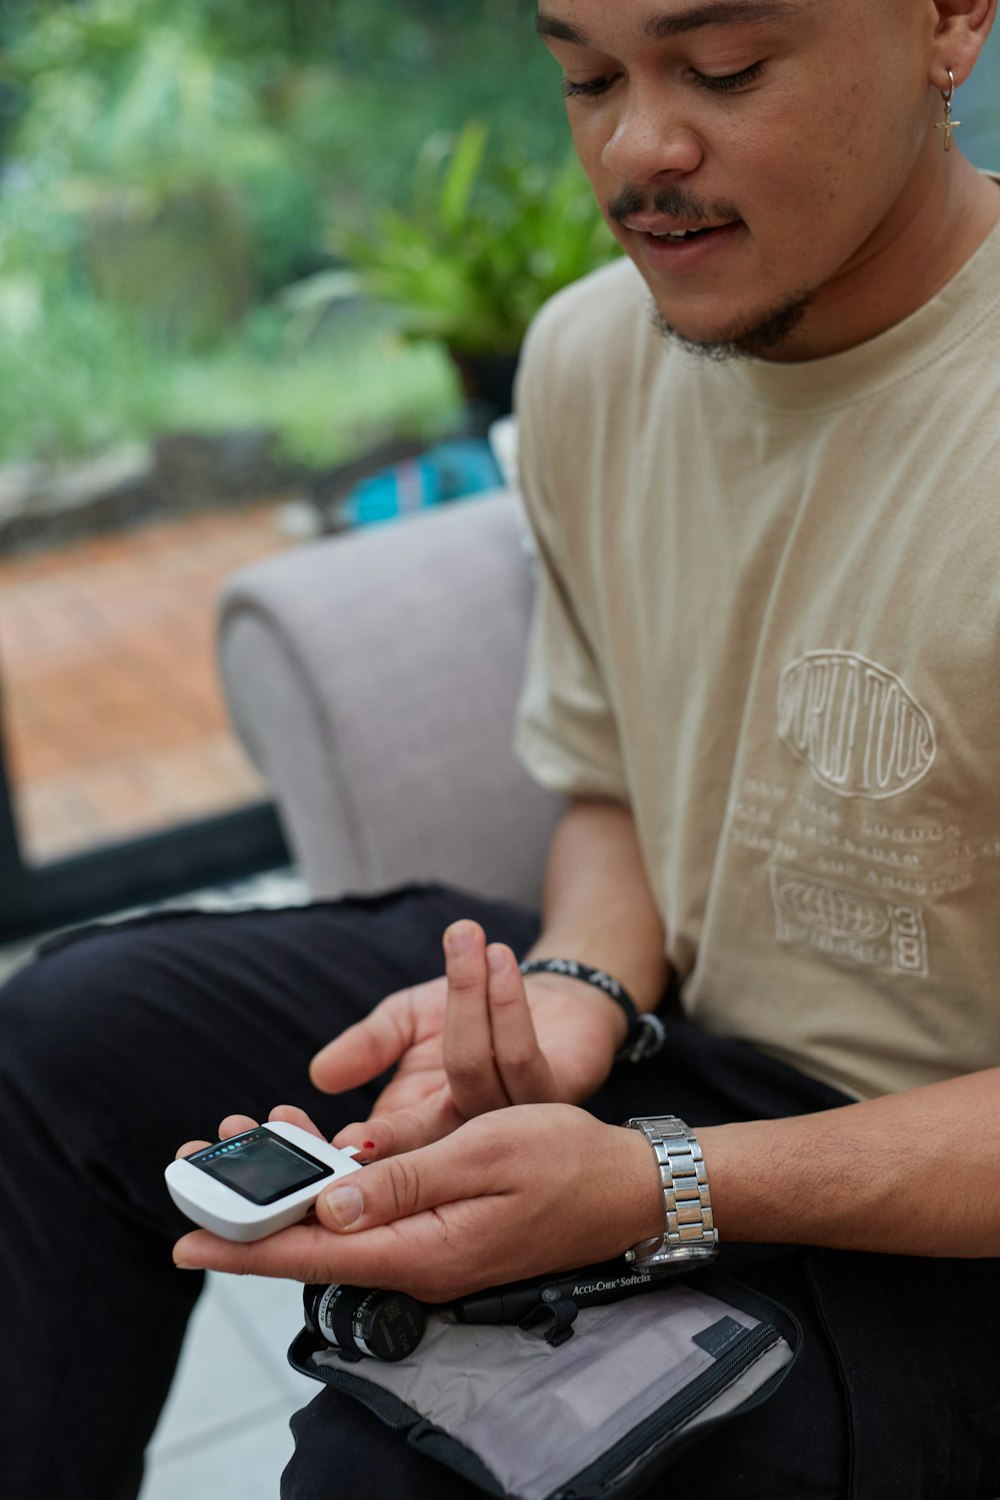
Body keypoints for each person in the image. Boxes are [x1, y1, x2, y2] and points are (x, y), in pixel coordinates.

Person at [2, 0, 1000, 1495]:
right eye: (586, 77)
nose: (637, 148)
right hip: (701, 1052)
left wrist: (659, 1186)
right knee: (63, 1042)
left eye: (723, 70)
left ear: (948, 21)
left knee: (401, 1470)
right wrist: (576, 997)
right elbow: (616, 781)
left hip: (945, 1214)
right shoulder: (595, 354)